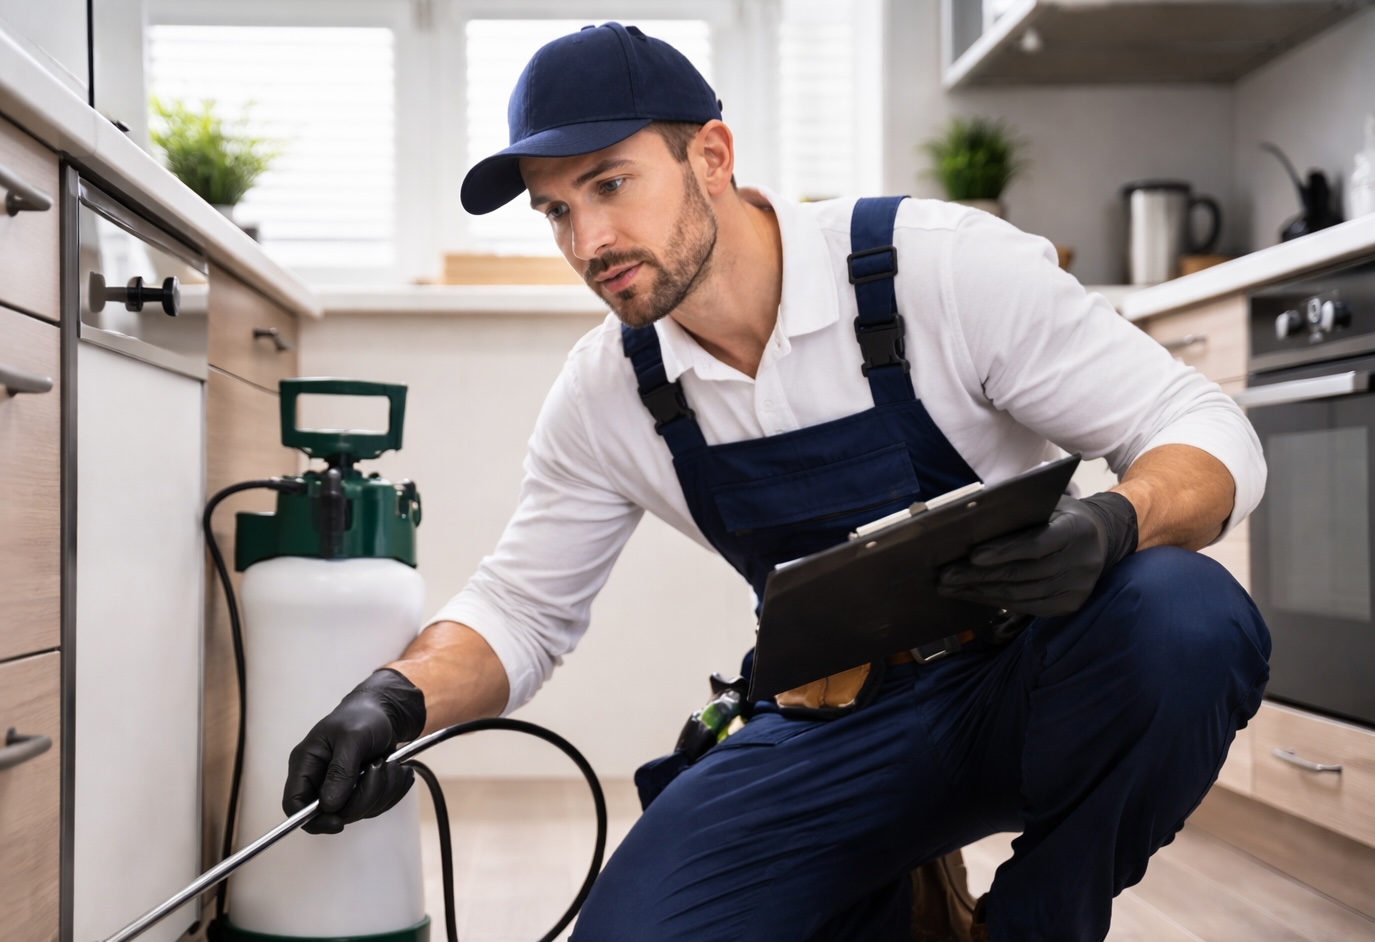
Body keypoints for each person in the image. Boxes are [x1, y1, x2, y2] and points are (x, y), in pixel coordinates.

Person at [282, 22, 1270, 942]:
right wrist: (391, 701)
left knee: (1182, 610)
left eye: (610, 184)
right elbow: (522, 609)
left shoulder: (935, 268)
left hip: (1033, 689)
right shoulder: (610, 390)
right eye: (557, 210)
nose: (587, 243)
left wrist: (1110, 523)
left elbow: (1202, 427)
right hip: (827, 730)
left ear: (710, 155)